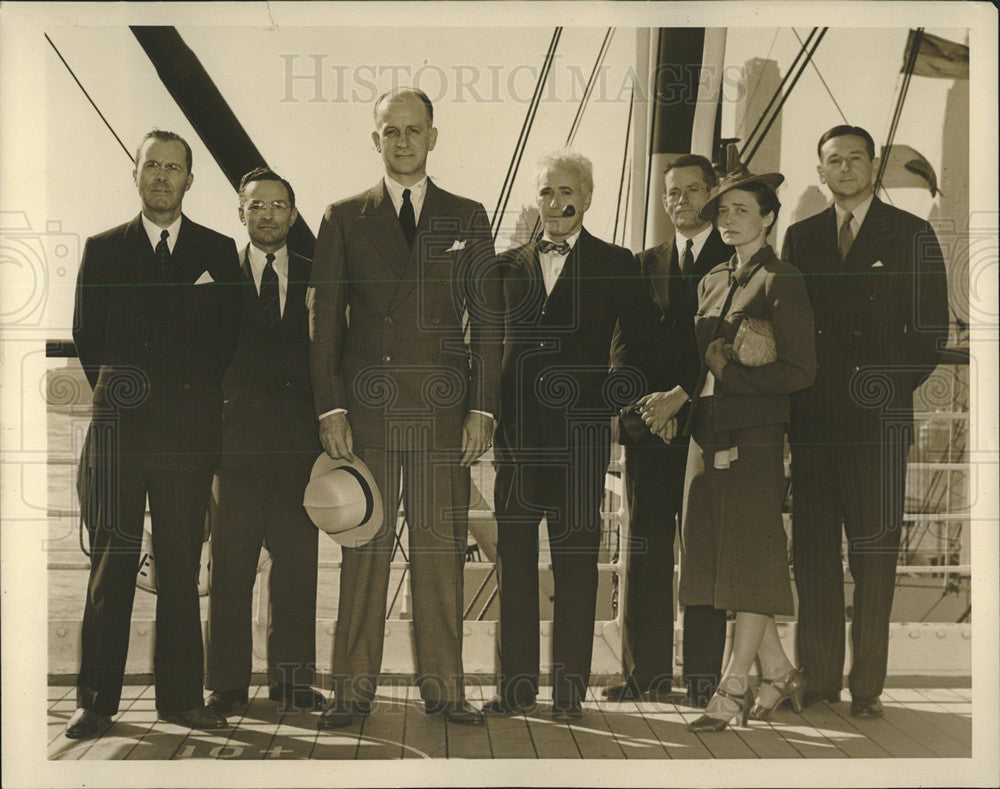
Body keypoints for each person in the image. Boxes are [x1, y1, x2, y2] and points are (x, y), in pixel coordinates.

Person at [308, 87, 502, 728]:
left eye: (413, 130)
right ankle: (352, 693)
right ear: (375, 139)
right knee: (364, 552)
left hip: (444, 413)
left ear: (433, 137)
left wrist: (484, 410)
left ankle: (446, 691)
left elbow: (488, 322)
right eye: (390, 131)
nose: (402, 141)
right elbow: (326, 327)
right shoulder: (343, 217)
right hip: (366, 414)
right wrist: (330, 410)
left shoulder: (467, 216)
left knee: (441, 551)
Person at [67, 130, 242, 738]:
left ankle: (180, 700)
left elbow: (228, 341)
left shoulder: (219, 253)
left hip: (188, 437)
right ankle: (96, 701)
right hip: (120, 434)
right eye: (153, 166)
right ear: (135, 175)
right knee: (111, 566)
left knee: (178, 566)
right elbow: (88, 338)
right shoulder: (103, 248)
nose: (163, 177)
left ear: (191, 180)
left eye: (175, 168)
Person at [782, 125, 949, 718]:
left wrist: (880, 388)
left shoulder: (911, 233)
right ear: (820, 169)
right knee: (814, 555)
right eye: (834, 159)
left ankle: (868, 689)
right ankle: (820, 679)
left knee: (873, 558)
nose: (846, 167)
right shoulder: (800, 239)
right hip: (813, 423)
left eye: (856, 158)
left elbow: (931, 332)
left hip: (877, 424)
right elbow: (789, 328)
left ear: (874, 165)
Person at [486, 150, 644, 721]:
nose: (556, 202)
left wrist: (604, 401)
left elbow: (636, 346)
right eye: (547, 192)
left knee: (577, 566)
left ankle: (570, 694)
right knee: (516, 562)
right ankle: (516, 689)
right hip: (517, 439)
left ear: (588, 195)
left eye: (567, 191)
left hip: (580, 440)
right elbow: (482, 349)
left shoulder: (617, 263)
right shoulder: (505, 267)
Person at [678, 168, 816, 732]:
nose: (730, 219)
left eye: (742, 210)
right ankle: (780, 671)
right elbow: (698, 362)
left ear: (767, 217)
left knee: (752, 563)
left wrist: (729, 374)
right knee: (717, 559)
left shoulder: (783, 279)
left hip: (755, 437)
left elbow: (802, 371)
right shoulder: (712, 278)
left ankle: (733, 688)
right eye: (723, 211)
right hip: (705, 431)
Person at [606, 154, 732, 707]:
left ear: (711, 194)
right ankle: (647, 675)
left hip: (708, 425)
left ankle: (704, 679)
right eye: (671, 192)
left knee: (703, 550)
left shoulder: (734, 259)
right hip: (649, 428)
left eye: (690, 191)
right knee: (646, 547)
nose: (679, 200)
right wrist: (640, 405)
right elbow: (623, 343)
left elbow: (724, 344)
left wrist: (678, 396)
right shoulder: (642, 264)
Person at [204, 168, 325, 714]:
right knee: (231, 567)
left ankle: (293, 681)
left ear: (293, 215)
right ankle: (226, 684)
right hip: (234, 449)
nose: (268, 215)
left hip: (301, 449)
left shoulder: (316, 275)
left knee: (298, 568)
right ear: (241, 213)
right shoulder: (216, 277)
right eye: (256, 206)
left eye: (279, 206)